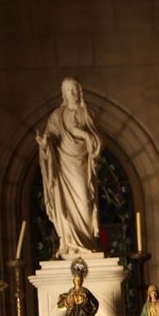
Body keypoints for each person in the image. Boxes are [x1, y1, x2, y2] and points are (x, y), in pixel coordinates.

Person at [37, 76, 103, 258]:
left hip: (81, 165)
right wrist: (45, 143)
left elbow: (97, 141)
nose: (72, 93)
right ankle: (69, 243)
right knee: (65, 204)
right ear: (63, 94)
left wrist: (85, 136)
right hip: (63, 168)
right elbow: (50, 136)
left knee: (84, 200)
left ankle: (86, 241)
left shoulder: (86, 113)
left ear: (80, 91)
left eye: (74, 89)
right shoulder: (57, 116)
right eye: (68, 91)